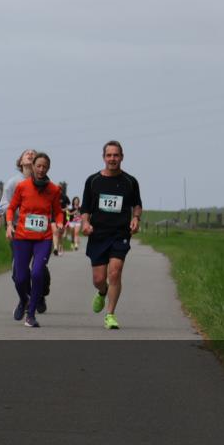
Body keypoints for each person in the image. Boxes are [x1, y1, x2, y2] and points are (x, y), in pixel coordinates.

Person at [80, 140, 142, 330]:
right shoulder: (93, 181)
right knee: (99, 279)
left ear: (122, 157)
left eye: (116, 155)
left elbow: (137, 205)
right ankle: (102, 291)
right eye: (109, 155)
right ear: (103, 157)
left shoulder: (130, 181)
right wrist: (85, 223)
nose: (112, 159)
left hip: (119, 233)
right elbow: (85, 208)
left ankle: (110, 314)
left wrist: (136, 219)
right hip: (98, 234)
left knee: (115, 272)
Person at [5, 152, 63, 327]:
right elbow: (11, 208)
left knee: (37, 273)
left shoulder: (54, 189)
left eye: (45, 167)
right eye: (38, 166)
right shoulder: (22, 186)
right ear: (33, 167)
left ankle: (30, 315)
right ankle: (24, 300)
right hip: (22, 237)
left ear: (48, 168)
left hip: (43, 239)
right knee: (20, 278)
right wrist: (9, 224)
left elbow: (58, 211)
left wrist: (59, 223)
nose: (41, 169)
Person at [0, 149, 50, 313]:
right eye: (26, 153)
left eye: (33, 153)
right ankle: (27, 296)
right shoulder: (14, 182)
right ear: (21, 162)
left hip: (40, 232)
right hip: (18, 230)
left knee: (39, 267)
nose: (30, 154)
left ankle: (41, 292)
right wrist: (17, 216)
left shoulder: (44, 183)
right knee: (18, 270)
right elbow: (4, 205)